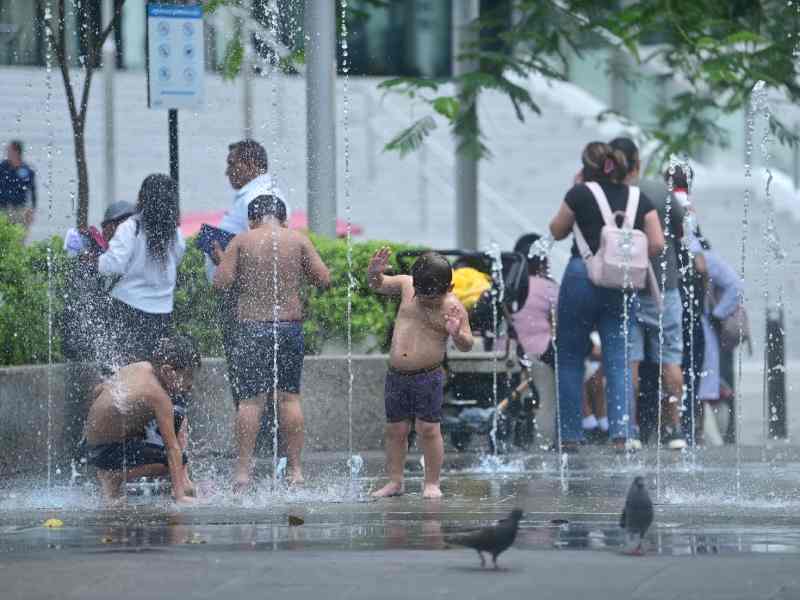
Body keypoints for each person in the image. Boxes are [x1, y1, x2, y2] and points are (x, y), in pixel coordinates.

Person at [544, 141, 664, 452]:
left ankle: (570, 435)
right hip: (621, 283)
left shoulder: (580, 193)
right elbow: (657, 243)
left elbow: (556, 230)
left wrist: (575, 190)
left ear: (586, 168)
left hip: (581, 277)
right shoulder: (639, 198)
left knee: (570, 357)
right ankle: (622, 434)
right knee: (619, 359)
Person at [213, 194, 330, 490]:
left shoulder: (242, 240)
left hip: (252, 328)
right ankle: (296, 471)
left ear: (252, 219)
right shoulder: (298, 239)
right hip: (289, 327)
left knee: (250, 401)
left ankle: (242, 473)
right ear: (284, 219)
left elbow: (221, 283)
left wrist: (222, 260)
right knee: (289, 398)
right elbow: (323, 279)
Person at [368, 249, 473, 498]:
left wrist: (457, 333)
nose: (425, 301)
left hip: (428, 376)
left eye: (432, 299)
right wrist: (374, 273)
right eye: (420, 295)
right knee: (395, 430)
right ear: (414, 282)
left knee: (428, 429)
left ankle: (432, 483)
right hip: (396, 375)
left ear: (449, 288)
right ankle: (395, 481)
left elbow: (467, 344)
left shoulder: (453, 307)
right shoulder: (406, 286)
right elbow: (378, 285)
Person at [208, 140, 289, 450]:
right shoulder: (249, 196)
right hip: (241, 295)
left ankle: (261, 445)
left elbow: (267, 254)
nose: (227, 171)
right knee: (246, 376)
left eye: (233, 164)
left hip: (246, 298)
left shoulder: (261, 197)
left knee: (251, 379)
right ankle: (258, 443)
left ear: (252, 164)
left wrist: (225, 260)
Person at [611, 138, 687, 450]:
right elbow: (680, 230)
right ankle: (674, 430)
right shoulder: (659, 191)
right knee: (670, 358)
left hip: (625, 287)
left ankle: (628, 430)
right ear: (637, 162)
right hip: (664, 289)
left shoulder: (611, 194)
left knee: (629, 360)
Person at [60, 201, 137, 467]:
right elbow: (83, 299)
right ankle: (91, 446)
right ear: (109, 227)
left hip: (116, 337)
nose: (129, 230)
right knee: (105, 390)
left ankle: (118, 447)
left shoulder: (127, 250)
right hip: (90, 343)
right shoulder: (90, 249)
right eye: (123, 225)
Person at [82, 335, 200, 505]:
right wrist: (180, 497)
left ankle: (111, 472)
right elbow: (172, 448)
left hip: (91, 445)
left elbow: (98, 390)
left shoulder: (141, 367)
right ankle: (113, 477)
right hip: (106, 452)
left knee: (176, 412)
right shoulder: (158, 396)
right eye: (187, 376)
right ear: (167, 371)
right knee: (174, 461)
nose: (190, 384)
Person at [98, 174, 185, 366]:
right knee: (154, 368)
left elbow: (113, 265)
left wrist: (94, 261)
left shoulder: (131, 228)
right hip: (162, 313)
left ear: (141, 197)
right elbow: (177, 258)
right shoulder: (175, 234)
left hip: (127, 309)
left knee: (122, 369)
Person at [507, 233, 558, 443]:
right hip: (541, 356)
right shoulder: (549, 288)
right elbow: (560, 327)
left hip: (508, 353)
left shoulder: (506, 286)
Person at [0, 140, 36, 231]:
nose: (7, 153)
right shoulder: (2, 167)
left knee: (19, 234)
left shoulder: (26, 170)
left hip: (20, 209)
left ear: (17, 152)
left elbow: (32, 191)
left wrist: (31, 210)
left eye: (9, 150)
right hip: (3, 208)